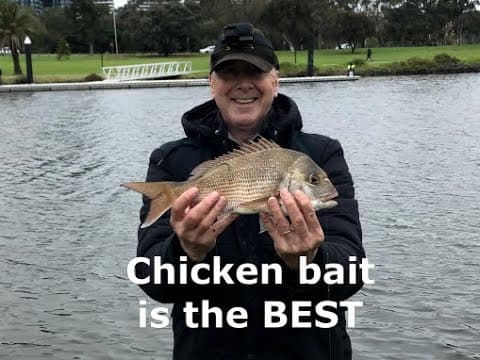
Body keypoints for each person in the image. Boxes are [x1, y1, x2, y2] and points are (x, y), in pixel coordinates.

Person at [135, 22, 365, 360]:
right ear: (211, 83)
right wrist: (185, 251)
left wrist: (308, 261)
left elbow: (352, 269)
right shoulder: (171, 161)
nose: (243, 84)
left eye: (254, 71)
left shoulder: (322, 155)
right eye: (229, 73)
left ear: (275, 79)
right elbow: (152, 278)